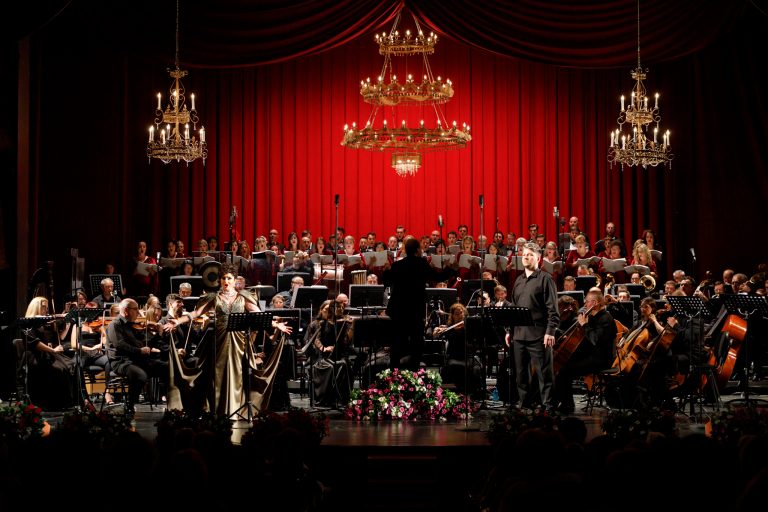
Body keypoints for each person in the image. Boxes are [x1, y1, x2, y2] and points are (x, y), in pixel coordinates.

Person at [164, 263, 291, 416]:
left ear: (235, 280)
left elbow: (259, 315)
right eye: (223, 278)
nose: (226, 281)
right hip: (219, 341)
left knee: (238, 373)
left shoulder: (243, 297)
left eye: (229, 278)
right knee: (218, 374)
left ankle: (235, 408)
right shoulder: (214, 298)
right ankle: (219, 410)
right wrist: (177, 321)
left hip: (239, 342)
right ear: (220, 280)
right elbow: (195, 313)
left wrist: (276, 324)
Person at [505, 242, 560, 411]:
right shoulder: (518, 280)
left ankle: (548, 407)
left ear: (538, 258)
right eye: (524, 254)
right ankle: (525, 405)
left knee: (544, 374)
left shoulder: (545, 279)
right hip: (519, 335)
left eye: (530, 254)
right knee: (521, 375)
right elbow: (514, 308)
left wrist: (550, 332)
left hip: (539, 334)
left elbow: (553, 309)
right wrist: (509, 331)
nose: (526, 257)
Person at [552, 290, 617, 413]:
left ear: (594, 303)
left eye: (587, 302)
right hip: (590, 355)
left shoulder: (605, 319)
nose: (585, 304)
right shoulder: (592, 316)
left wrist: (584, 325)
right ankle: (557, 401)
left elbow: (595, 340)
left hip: (601, 359)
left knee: (565, 370)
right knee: (561, 364)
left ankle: (567, 405)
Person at [383, 236, 440, 370]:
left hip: (398, 310)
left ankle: (394, 374)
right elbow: (437, 277)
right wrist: (452, 269)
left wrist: (386, 270)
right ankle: (414, 373)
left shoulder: (397, 265)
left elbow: (386, 282)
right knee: (416, 343)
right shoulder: (422, 264)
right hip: (415, 310)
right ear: (417, 250)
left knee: (396, 343)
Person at [106, 298, 167, 413]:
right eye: (135, 309)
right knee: (140, 375)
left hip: (137, 360)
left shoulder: (133, 325)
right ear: (126, 310)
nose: (138, 313)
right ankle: (130, 405)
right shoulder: (115, 325)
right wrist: (140, 351)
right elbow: (120, 344)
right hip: (121, 362)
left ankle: (173, 404)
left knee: (167, 367)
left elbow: (146, 344)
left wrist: (158, 334)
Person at [23, 296, 77, 409]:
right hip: (36, 356)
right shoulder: (28, 324)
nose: (46, 311)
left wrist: (66, 326)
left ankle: (75, 400)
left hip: (49, 354)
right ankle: (57, 402)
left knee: (74, 365)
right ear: (36, 307)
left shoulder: (45, 323)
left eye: (47, 308)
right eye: (44, 307)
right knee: (59, 369)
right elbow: (35, 344)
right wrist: (53, 350)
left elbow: (56, 339)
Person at [303, 299, 351, 407]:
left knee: (344, 364)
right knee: (330, 367)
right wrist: (323, 348)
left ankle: (341, 398)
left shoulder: (339, 324)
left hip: (336, 355)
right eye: (327, 309)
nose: (330, 312)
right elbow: (315, 339)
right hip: (320, 357)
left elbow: (345, 342)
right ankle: (327, 398)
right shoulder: (317, 324)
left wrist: (351, 327)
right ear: (321, 310)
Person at [434, 303, 484, 398]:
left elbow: (475, 340)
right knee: (454, 367)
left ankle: (473, 394)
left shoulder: (468, 327)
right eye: (457, 314)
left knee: (476, 368)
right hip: (454, 356)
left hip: (467, 356)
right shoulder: (449, 327)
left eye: (461, 313)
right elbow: (436, 336)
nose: (460, 315)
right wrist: (437, 331)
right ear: (452, 315)